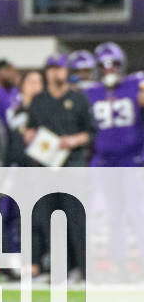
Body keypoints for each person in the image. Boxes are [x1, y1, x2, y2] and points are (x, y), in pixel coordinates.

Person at [22, 53, 94, 281]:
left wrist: (73, 140)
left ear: (67, 71)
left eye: (60, 68)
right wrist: (29, 135)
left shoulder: (79, 99)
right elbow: (30, 129)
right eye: (52, 68)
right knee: (49, 219)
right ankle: (59, 269)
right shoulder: (39, 100)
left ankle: (82, 270)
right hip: (45, 167)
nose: (56, 72)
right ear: (47, 72)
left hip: (72, 165)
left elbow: (91, 133)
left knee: (75, 218)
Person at [81, 42, 144, 167]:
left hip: (133, 158)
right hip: (102, 159)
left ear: (122, 64)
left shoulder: (135, 83)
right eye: (103, 65)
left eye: (114, 64)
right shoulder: (90, 91)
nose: (109, 69)